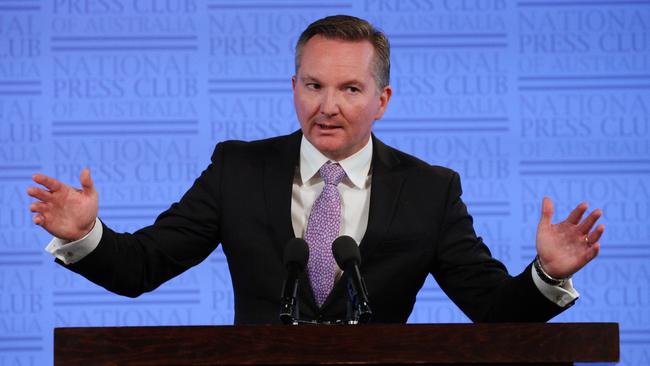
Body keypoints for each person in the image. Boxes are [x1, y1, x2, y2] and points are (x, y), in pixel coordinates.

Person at [27, 15, 604, 324]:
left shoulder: (430, 190)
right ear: (294, 87)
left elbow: (494, 311)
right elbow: (142, 268)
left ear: (382, 100)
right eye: (314, 85)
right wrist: (84, 236)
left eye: (350, 88)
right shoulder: (238, 169)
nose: (327, 105)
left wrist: (547, 275)